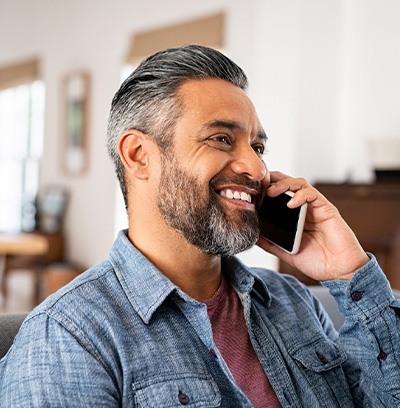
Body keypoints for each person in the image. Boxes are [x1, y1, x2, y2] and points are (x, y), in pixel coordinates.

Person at [0, 45, 399, 408]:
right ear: (138, 155)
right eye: (222, 139)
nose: (257, 168)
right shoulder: (68, 338)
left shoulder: (295, 302)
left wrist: (350, 273)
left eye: (258, 147)